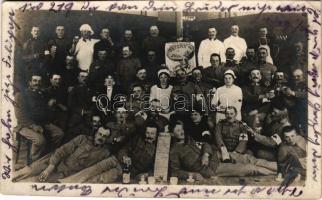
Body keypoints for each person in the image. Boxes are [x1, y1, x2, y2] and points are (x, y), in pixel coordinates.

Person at [169, 120, 275, 181]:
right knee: (250, 168)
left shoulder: (189, 139)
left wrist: (205, 154)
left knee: (248, 158)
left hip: (216, 155)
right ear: (172, 134)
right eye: (178, 130)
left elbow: (206, 144)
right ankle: (277, 173)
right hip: (213, 168)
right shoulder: (174, 151)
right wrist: (192, 175)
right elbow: (175, 171)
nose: (182, 132)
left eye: (181, 129)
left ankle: (279, 167)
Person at [60, 121, 160, 183]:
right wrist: (124, 156)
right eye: (147, 132)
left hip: (126, 170)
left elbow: (155, 167)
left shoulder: (158, 149)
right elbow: (124, 149)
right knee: (93, 169)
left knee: (100, 179)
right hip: (116, 159)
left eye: (152, 133)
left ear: (156, 135)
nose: (149, 135)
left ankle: (78, 191)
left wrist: (146, 174)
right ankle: (66, 183)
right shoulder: (138, 138)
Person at [13, 125, 112, 182]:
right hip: (53, 162)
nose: (101, 137)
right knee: (27, 172)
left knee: (35, 181)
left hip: (64, 174)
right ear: (95, 133)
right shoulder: (82, 138)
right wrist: (49, 168)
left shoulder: (105, 153)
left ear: (107, 139)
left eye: (104, 136)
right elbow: (62, 150)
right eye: (100, 134)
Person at [15, 74, 64, 163]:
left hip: (42, 123)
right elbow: (20, 116)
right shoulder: (21, 95)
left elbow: (45, 112)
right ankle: (34, 161)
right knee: (40, 141)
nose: (37, 83)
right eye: (34, 81)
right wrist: (33, 126)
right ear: (29, 82)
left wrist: (49, 107)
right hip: (25, 125)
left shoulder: (42, 95)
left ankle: (46, 156)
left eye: (39, 81)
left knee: (59, 133)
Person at [215, 106, 277, 172]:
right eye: (227, 114)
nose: (229, 116)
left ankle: (276, 167)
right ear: (225, 114)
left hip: (238, 152)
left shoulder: (241, 125)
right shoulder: (220, 125)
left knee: (251, 160)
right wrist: (224, 151)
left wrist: (237, 152)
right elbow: (218, 138)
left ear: (236, 114)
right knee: (247, 168)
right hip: (223, 152)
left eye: (231, 114)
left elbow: (243, 140)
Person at [67, 71, 94, 138]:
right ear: (78, 78)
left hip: (89, 115)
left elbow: (94, 103)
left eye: (86, 77)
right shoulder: (74, 89)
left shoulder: (92, 90)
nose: (84, 79)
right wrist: (82, 111)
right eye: (82, 77)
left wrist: (90, 111)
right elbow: (70, 105)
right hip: (77, 114)